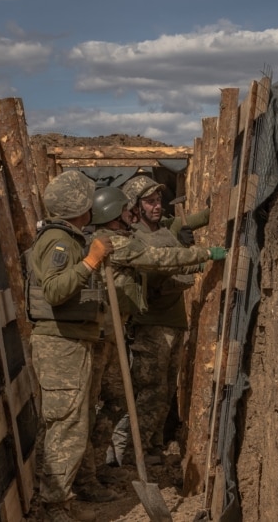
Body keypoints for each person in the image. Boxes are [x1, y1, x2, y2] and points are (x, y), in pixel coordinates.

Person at [85, 186, 225, 474]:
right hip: (132, 326)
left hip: (125, 327)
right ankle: (108, 459)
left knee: (140, 394)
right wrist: (203, 254)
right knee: (133, 392)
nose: (156, 206)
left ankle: (116, 459)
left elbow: (204, 218)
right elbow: (157, 259)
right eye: (148, 201)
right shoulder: (123, 240)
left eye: (159, 200)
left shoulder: (162, 229)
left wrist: (218, 202)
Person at [26, 170, 115, 522]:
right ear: (80, 205)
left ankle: (57, 500)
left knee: (65, 425)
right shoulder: (60, 241)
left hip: (70, 342)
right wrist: (90, 261)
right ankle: (55, 507)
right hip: (60, 344)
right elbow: (55, 291)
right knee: (66, 427)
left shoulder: (69, 238)